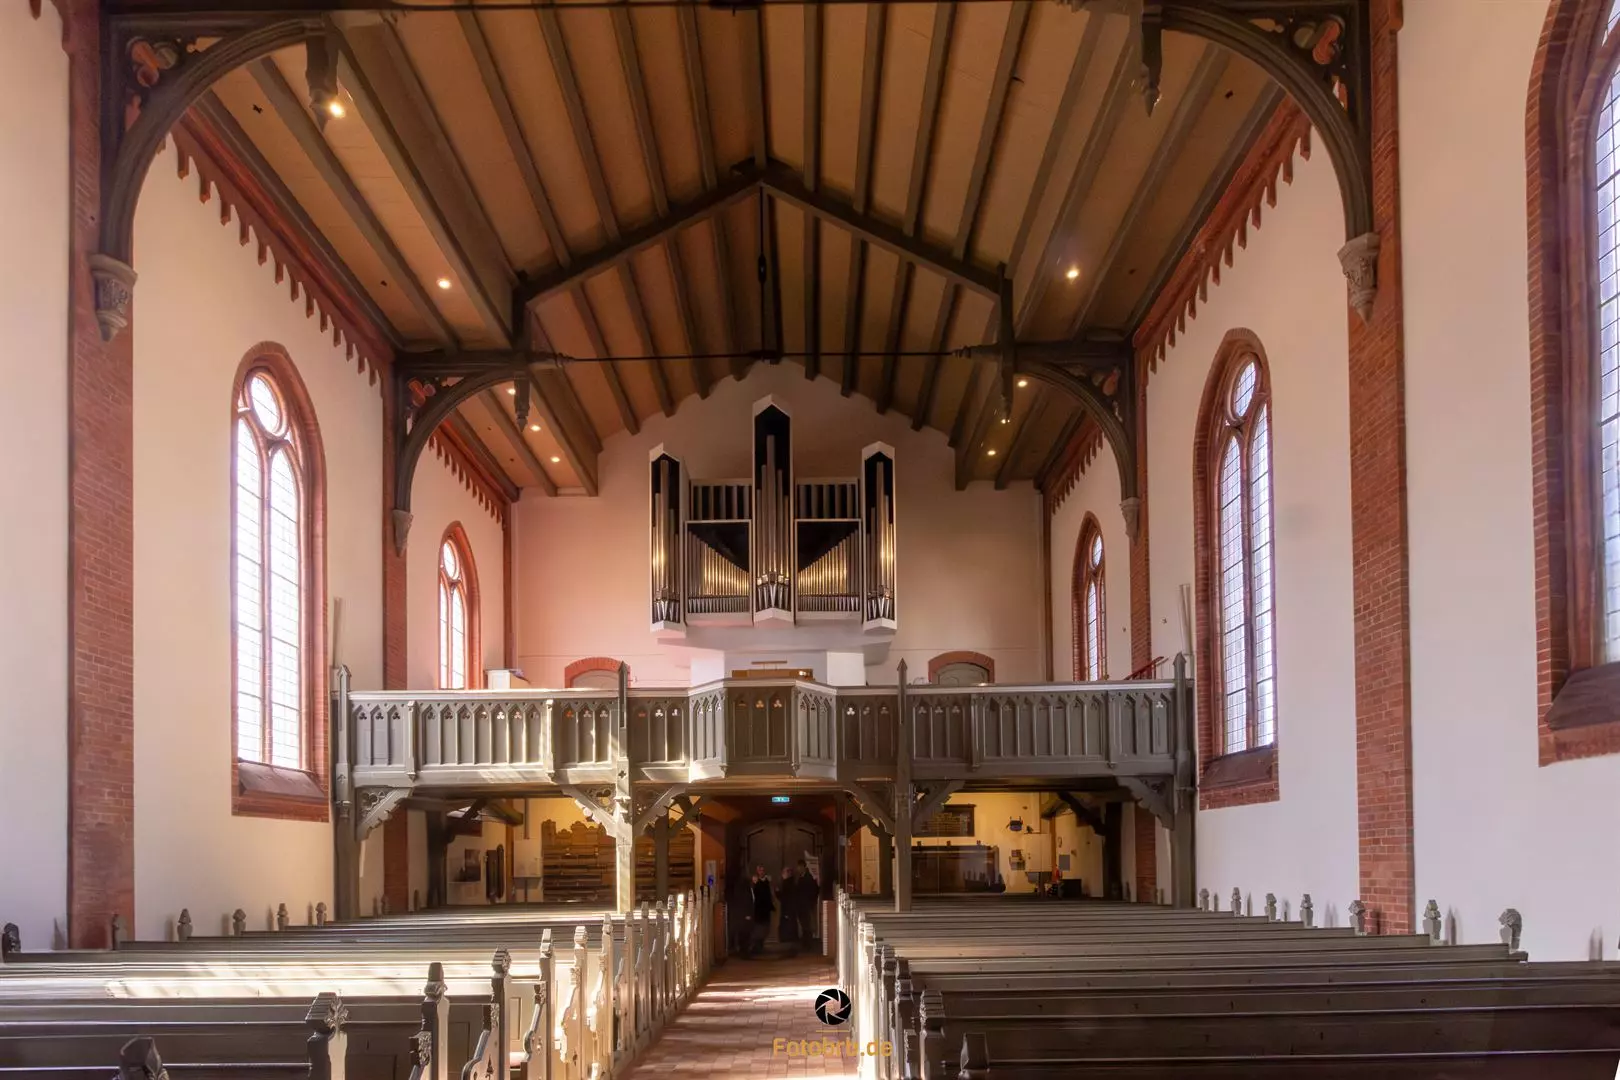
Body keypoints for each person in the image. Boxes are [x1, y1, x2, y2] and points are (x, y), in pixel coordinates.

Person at [748, 865, 774, 958]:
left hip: (765, 909)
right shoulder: (755, 882)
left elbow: (770, 894)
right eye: (759, 870)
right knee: (758, 928)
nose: (761, 872)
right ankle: (757, 946)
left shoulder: (767, 882)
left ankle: (760, 945)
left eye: (763, 870)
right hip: (758, 909)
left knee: (764, 928)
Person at [794, 859, 820, 950]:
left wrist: (811, 902)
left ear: (804, 867)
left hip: (806, 905)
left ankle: (807, 944)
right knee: (804, 924)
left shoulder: (808, 878)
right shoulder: (800, 878)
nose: (798, 869)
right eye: (798, 867)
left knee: (807, 925)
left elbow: (815, 890)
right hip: (801, 906)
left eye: (800, 867)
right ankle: (805, 943)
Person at [777, 865, 799, 951]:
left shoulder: (787, 884)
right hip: (790, 908)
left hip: (787, 908)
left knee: (788, 924)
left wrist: (777, 893)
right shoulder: (791, 883)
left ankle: (788, 940)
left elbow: (784, 897)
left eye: (784, 873)